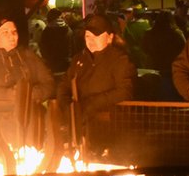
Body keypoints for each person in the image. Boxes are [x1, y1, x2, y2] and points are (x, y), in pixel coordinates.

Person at [57, 13, 136, 158]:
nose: (91, 40)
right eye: (88, 36)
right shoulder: (79, 60)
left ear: (110, 37)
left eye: (96, 36)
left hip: (109, 130)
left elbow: (124, 91)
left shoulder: (120, 60)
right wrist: (67, 106)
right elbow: (64, 85)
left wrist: (91, 104)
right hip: (78, 126)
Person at [0, 17, 55, 152]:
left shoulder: (28, 56)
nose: (12, 36)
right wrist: (8, 94)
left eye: (14, 32)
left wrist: (28, 94)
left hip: (30, 121)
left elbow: (49, 84)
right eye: (5, 32)